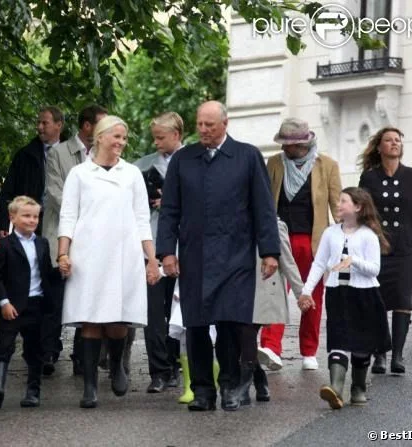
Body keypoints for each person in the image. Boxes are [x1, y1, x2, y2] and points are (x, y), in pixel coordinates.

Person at [157, 100, 280, 412]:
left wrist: (269, 252)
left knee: (229, 322)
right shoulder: (183, 159)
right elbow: (170, 210)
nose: (203, 130)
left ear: (225, 124)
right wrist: (166, 253)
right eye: (199, 124)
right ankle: (202, 390)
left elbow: (264, 208)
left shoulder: (247, 156)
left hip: (236, 253)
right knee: (195, 324)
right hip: (194, 254)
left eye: (209, 125)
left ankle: (229, 386)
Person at [57, 115, 160, 408]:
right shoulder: (79, 174)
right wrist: (63, 253)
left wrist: (151, 259)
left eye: (124, 138)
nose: (121, 143)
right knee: (90, 318)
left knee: (117, 320)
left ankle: (116, 365)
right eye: (116, 136)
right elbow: (68, 216)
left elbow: (142, 219)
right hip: (88, 254)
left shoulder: (131, 175)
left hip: (123, 254)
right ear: (99, 137)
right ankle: (89, 387)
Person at [259, 118, 342, 371]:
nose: (284, 148)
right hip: (278, 237)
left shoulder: (326, 165)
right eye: (283, 144)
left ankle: (308, 350)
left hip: (312, 240)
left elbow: (337, 206)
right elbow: (263, 199)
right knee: (273, 292)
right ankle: (271, 348)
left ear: (303, 144)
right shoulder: (273, 163)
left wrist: (341, 242)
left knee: (311, 293)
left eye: (289, 145)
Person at [359, 127, 412, 374]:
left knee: (403, 299)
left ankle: (397, 355)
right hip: (377, 247)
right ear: (379, 147)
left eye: (398, 140)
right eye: (389, 140)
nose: (394, 144)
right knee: (379, 300)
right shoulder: (369, 177)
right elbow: (362, 213)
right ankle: (380, 355)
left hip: (407, 247)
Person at [298, 187, 391, 410]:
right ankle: (335, 389)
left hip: (364, 294)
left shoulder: (369, 236)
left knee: (361, 344)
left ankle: (358, 388)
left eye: (343, 201)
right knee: (338, 338)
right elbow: (319, 264)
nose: (338, 205)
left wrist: (354, 261)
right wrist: (306, 290)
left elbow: (374, 269)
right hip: (337, 294)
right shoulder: (330, 233)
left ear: (358, 207)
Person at [41, 105, 107, 376]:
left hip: (93, 238)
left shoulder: (105, 155)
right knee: (54, 297)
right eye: (102, 125)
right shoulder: (58, 153)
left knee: (87, 296)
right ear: (87, 126)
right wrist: (85, 212)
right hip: (60, 233)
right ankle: (47, 352)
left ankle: (83, 354)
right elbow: (55, 191)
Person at [0, 196, 60, 410]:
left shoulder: (42, 243)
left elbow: (45, 273)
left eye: (35, 217)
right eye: (26, 216)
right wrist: (3, 302)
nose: (31, 220)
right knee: (4, 346)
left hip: (36, 304)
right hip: (12, 306)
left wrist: (61, 272)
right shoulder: (4, 245)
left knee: (34, 350)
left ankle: (33, 391)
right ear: (13, 217)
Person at [134, 112, 184, 393]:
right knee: (152, 312)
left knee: (177, 309)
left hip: (182, 247)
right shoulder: (141, 167)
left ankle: (177, 363)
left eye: (161, 137)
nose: (156, 143)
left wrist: (174, 201)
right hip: (150, 247)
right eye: (154, 137)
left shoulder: (195, 162)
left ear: (176, 135)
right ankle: (159, 371)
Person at [252, 218, 304, 402]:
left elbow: (288, 262)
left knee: (246, 336)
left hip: (264, 291)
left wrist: (301, 293)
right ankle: (256, 377)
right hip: (238, 287)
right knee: (238, 337)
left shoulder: (274, 224)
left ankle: (253, 381)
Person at [0, 106, 64, 237]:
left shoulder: (71, 155)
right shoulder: (24, 155)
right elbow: (8, 191)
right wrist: (3, 223)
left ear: (58, 125)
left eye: (44, 123)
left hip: (60, 223)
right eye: (38, 122)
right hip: (29, 222)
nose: (39, 127)